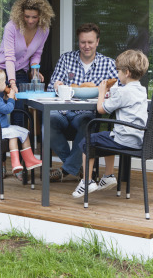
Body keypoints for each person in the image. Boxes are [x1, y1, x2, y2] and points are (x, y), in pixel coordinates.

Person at [0, 0, 54, 177]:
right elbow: (9, 57)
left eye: (34, 17)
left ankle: (20, 165)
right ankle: (1, 164)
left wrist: (35, 70)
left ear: (41, 15)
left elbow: (36, 54)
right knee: (1, 118)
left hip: (20, 72)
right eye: (27, 16)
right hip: (0, 72)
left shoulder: (44, 30)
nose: (31, 20)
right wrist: (11, 83)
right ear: (21, 13)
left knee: (19, 116)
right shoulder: (12, 27)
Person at [72, 49, 149, 197]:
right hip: (138, 138)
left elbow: (101, 109)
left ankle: (86, 181)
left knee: (87, 141)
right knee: (108, 134)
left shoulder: (122, 92)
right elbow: (121, 99)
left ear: (126, 72)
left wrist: (101, 92)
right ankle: (107, 176)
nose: (117, 74)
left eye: (118, 71)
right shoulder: (141, 90)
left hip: (124, 139)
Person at [47, 23, 118, 182]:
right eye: (82, 42)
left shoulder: (108, 63)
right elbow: (52, 86)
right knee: (48, 121)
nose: (86, 46)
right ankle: (76, 167)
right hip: (63, 112)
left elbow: (118, 89)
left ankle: (65, 170)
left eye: (90, 42)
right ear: (78, 42)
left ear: (97, 42)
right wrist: (57, 85)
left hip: (86, 114)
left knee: (88, 123)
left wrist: (107, 92)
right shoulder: (66, 59)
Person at [0, 67, 42, 180]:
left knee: (24, 132)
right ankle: (15, 163)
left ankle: (29, 159)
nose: (6, 84)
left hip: (1, 128)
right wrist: (10, 99)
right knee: (13, 135)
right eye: (4, 81)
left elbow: (0, 108)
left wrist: (5, 99)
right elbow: (7, 110)